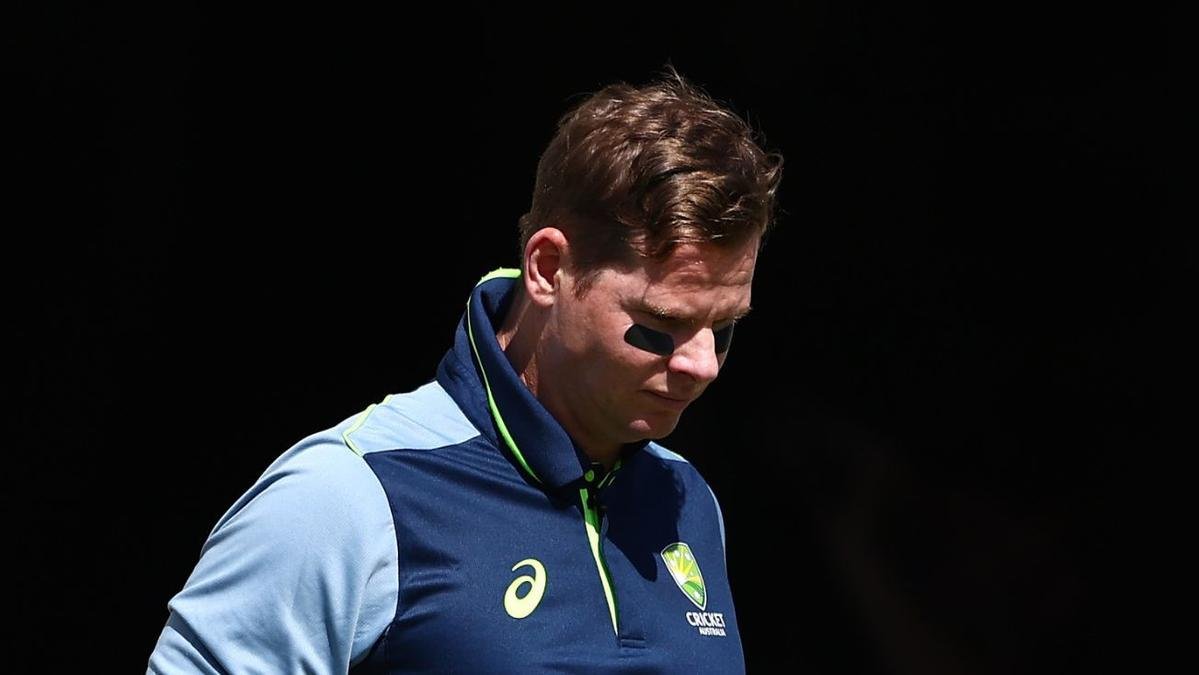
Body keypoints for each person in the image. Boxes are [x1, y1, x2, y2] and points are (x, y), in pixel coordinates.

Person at [148, 66, 783, 673]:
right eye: (661, 323)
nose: (703, 365)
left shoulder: (688, 500)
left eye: (724, 328)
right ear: (548, 270)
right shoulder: (353, 494)